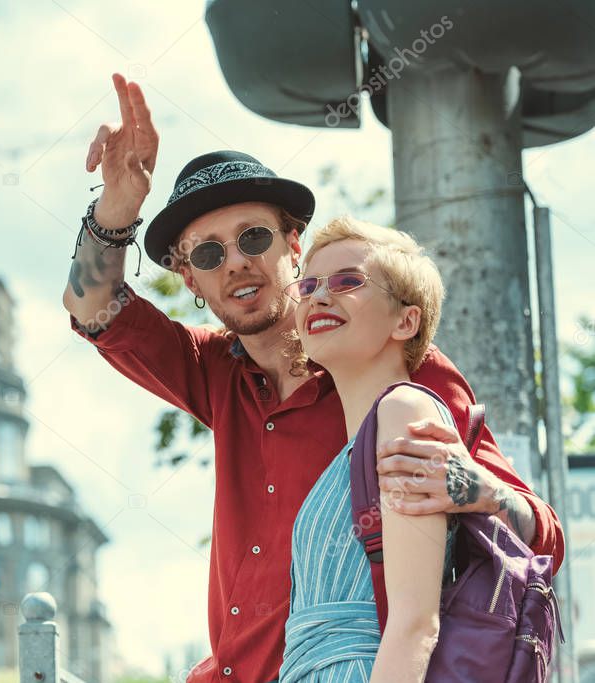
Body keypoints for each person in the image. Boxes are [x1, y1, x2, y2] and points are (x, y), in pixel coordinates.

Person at [63, 73, 564, 683]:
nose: (237, 262)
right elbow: (94, 308)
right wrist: (114, 212)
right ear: (190, 281)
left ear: (293, 244)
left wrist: (483, 490)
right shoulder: (213, 371)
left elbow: (544, 537)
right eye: (208, 254)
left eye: (253, 237)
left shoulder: (400, 373)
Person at [279, 216, 457, 682]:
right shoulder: (362, 440)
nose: (319, 295)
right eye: (309, 285)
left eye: (347, 282)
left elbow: (416, 623)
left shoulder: (404, 411)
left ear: (406, 320)